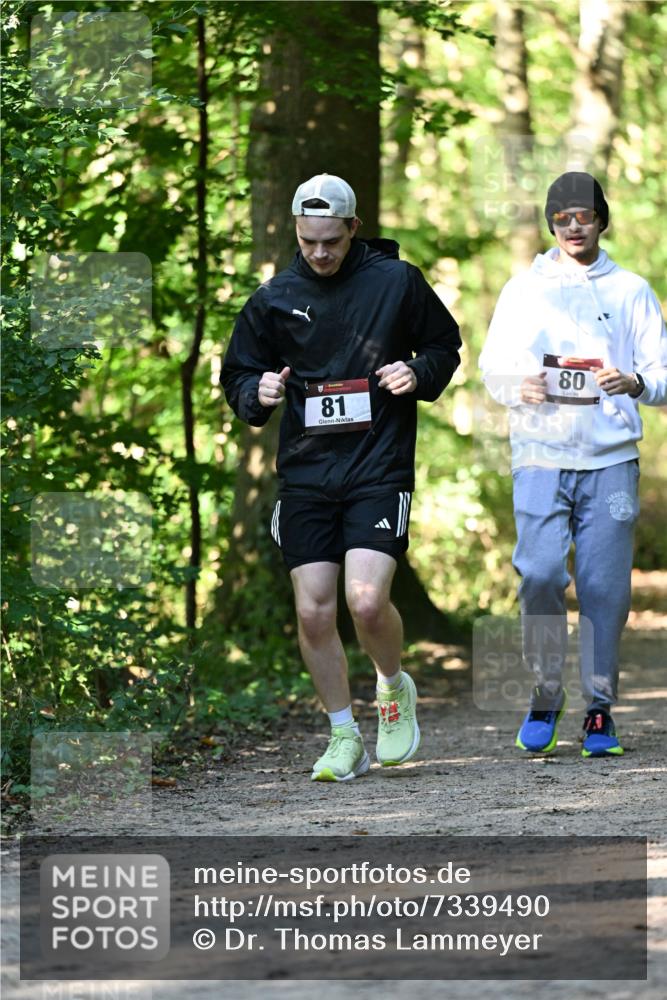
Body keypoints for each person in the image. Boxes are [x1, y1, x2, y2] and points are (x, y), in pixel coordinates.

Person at [221, 173, 460, 781]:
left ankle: (391, 686)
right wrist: (259, 390)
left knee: (367, 600)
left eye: (331, 240)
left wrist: (417, 372)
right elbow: (239, 375)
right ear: (295, 235)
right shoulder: (272, 298)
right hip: (305, 472)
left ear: (353, 229)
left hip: (377, 466)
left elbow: (444, 344)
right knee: (313, 612)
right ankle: (342, 735)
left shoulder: (395, 281)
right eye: (308, 243)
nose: (321, 253)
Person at [479, 171, 667, 758]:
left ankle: (600, 709)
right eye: (562, 218)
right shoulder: (522, 290)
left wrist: (634, 381)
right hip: (539, 457)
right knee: (538, 573)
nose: (574, 227)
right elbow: (492, 371)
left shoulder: (632, 289)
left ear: (601, 220)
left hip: (611, 461)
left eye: (584, 216)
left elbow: (662, 378)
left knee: (605, 587)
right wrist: (520, 385)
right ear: (552, 224)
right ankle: (545, 692)